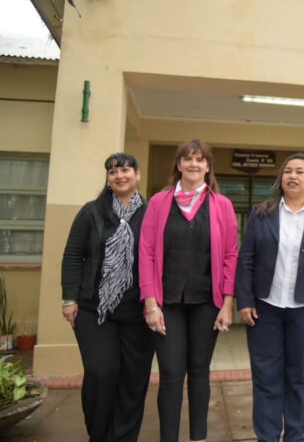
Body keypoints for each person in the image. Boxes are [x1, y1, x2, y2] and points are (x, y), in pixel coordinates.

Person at [235, 153, 304, 442]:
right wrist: (244, 301)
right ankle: (267, 436)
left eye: (299, 172)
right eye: (288, 171)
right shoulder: (262, 213)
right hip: (265, 308)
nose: (292, 176)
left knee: (299, 377)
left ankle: (295, 435)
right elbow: (246, 260)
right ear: (281, 179)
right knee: (266, 377)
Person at [139, 139, 238, 442]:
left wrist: (227, 304)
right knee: (170, 373)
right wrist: (151, 304)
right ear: (178, 164)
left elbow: (231, 254)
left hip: (207, 302)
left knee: (199, 370)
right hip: (166, 302)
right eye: (188, 159)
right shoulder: (159, 202)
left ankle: (198, 437)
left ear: (208, 167)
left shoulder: (222, 205)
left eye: (200, 159)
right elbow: (146, 252)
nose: (194, 164)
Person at [61, 152, 153, 442]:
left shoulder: (152, 213)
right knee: (102, 373)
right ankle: (99, 435)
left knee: (133, 380)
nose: (119, 175)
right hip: (94, 311)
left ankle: (124, 436)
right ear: (108, 179)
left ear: (137, 175)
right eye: (113, 172)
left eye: (126, 169)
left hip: (139, 313)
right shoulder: (92, 212)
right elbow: (73, 255)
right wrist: (69, 299)